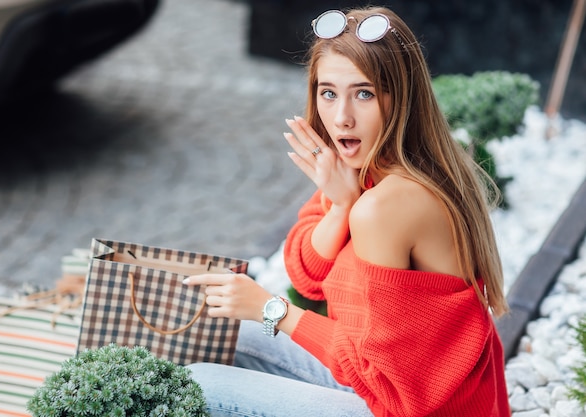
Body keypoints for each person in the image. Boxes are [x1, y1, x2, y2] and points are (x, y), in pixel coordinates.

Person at [184, 5, 511, 416]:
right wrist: (340, 204)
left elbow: (390, 391)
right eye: (328, 92)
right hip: (387, 382)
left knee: (202, 383)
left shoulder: (385, 207)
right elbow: (307, 275)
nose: (341, 118)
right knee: (224, 335)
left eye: (364, 93)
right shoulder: (366, 170)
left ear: (400, 97)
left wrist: (273, 311)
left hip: (409, 405)